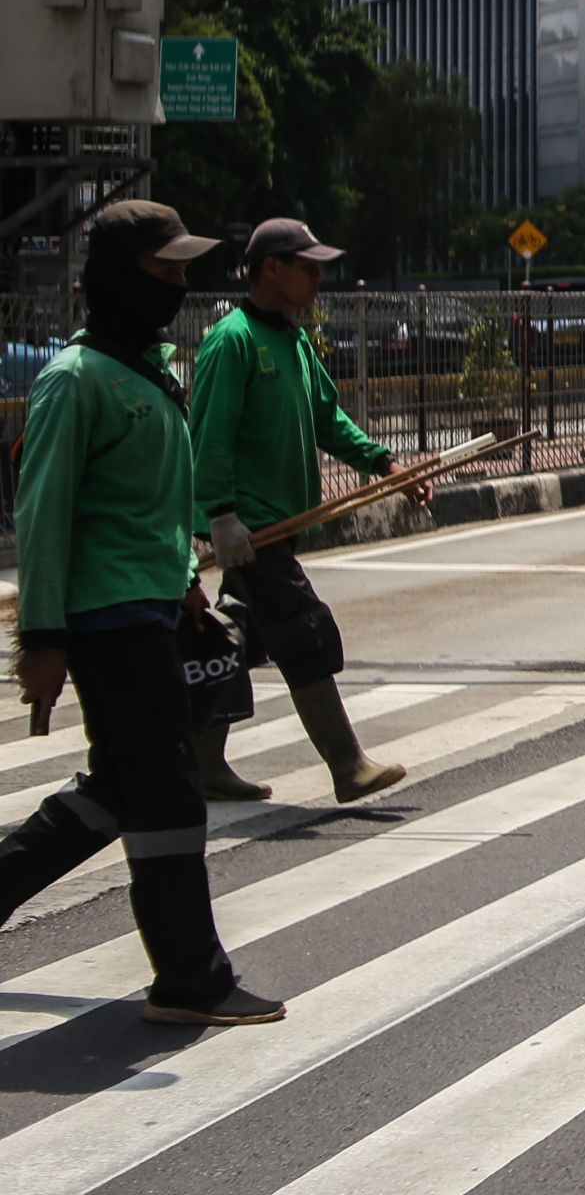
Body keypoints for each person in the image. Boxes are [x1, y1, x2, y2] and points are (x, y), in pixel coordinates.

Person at [0, 201, 280, 1026]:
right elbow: (43, 521)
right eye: (162, 273)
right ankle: (190, 978)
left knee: (124, 785)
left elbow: (149, 509)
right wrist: (41, 640)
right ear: (118, 279)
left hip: (151, 605)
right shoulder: (75, 382)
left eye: (181, 272)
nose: (177, 286)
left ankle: (186, 973)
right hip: (104, 621)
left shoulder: (150, 371)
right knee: (164, 792)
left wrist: (184, 583)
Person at [187, 218, 419, 805]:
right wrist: (221, 515)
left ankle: (200, 762)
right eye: (308, 266)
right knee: (304, 631)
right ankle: (347, 765)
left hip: (278, 522)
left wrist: (385, 464)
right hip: (249, 524)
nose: (320, 277)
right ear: (271, 268)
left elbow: (327, 419)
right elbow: (209, 437)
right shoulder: (231, 340)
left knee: (233, 639)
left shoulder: (293, 341)